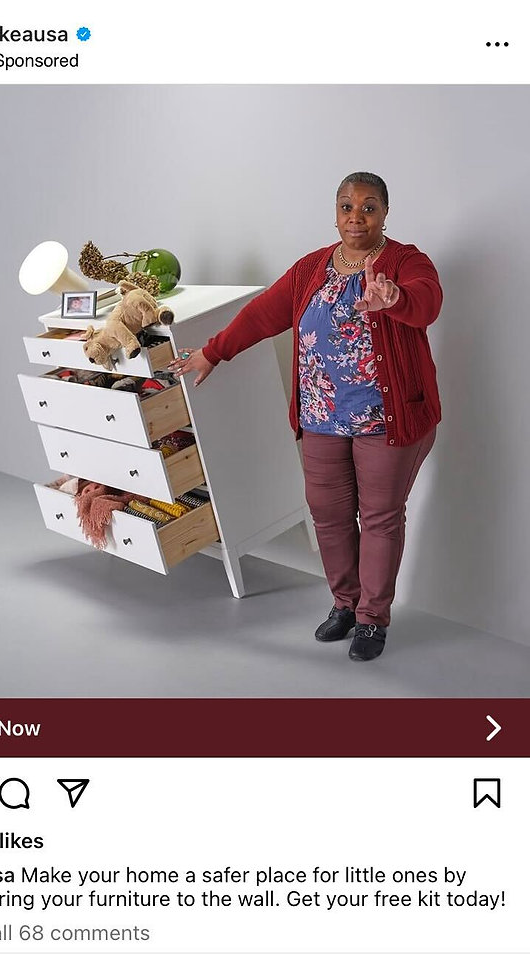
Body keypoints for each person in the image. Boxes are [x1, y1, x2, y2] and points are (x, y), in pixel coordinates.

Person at [168, 172, 442, 661]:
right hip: (321, 419)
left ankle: (372, 620)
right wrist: (213, 352)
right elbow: (262, 315)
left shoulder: (405, 262)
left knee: (379, 517)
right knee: (329, 516)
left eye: (368, 207)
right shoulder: (311, 269)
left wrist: (395, 299)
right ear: (335, 212)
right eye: (346, 206)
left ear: (385, 213)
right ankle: (344, 604)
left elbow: (428, 302)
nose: (355, 217)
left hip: (387, 420)